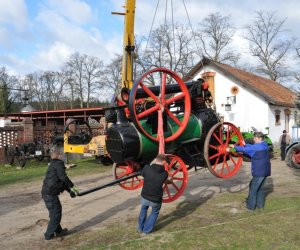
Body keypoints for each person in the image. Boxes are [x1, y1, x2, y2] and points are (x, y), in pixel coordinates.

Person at [41, 147, 79, 240]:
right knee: (56, 214)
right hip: (50, 194)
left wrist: (70, 191)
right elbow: (63, 177)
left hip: (46, 193)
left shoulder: (53, 164)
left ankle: (59, 231)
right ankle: (48, 235)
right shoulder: (59, 163)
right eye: (61, 155)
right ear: (59, 156)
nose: (62, 156)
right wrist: (73, 186)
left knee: (54, 213)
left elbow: (60, 181)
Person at [229, 131, 271, 212]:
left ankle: (250, 207)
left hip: (259, 172)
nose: (254, 139)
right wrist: (245, 144)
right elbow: (251, 146)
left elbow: (245, 149)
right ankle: (260, 206)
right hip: (266, 171)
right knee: (260, 189)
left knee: (253, 188)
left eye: (255, 138)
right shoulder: (265, 145)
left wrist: (233, 147)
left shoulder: (256, 148)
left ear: (259, 138)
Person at [137, 154, 169, 235]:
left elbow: (143, 174)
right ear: (164, 162)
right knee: (154, 212)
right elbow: (165, 180)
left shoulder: (147, 168)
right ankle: (146, 231)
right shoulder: (165, 173)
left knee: (143, 209)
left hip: (145, 196)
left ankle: (140, 228)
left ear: (155, 159)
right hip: (156, 199)